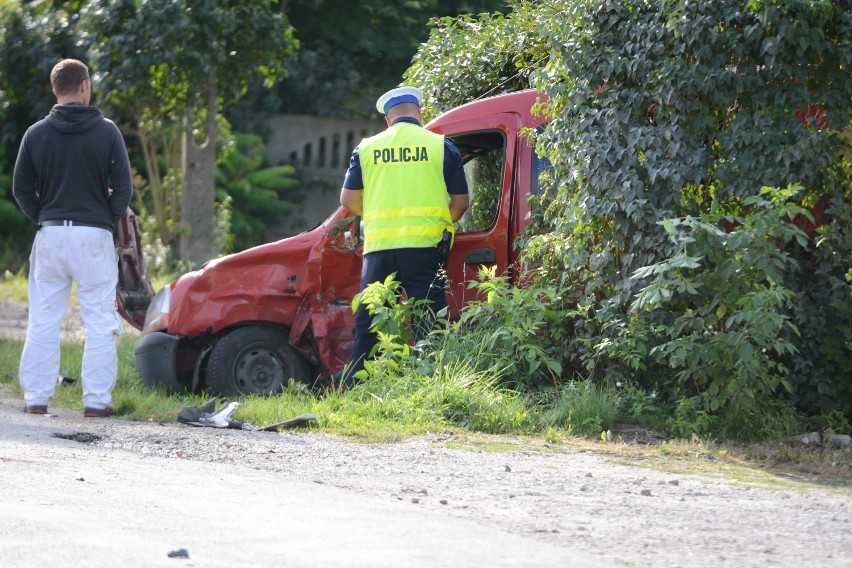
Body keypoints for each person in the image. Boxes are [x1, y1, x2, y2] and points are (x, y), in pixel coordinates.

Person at [12, 58, 133, 417]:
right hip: (93, 236)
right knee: (98, 319)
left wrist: (43, 216)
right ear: (83, 86)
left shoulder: (36, 133)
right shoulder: (108, 131)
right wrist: (105, 219)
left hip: (50, 235)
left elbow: (21, 189)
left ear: (56, 89)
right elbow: (123, 190)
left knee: (44, 317)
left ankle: (36, 398)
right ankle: (96, 403)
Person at [338, 86, 469, 387]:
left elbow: (348, 199)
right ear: (419, 114)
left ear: (388, 120)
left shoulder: (368, 148)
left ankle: (357, 392)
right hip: (425, 248)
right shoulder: (440, 146)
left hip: (379, 249)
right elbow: (461, 202)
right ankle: (431, 388)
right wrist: (436, 222)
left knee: (370, 324)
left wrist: (374, 214)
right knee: (428, 322)